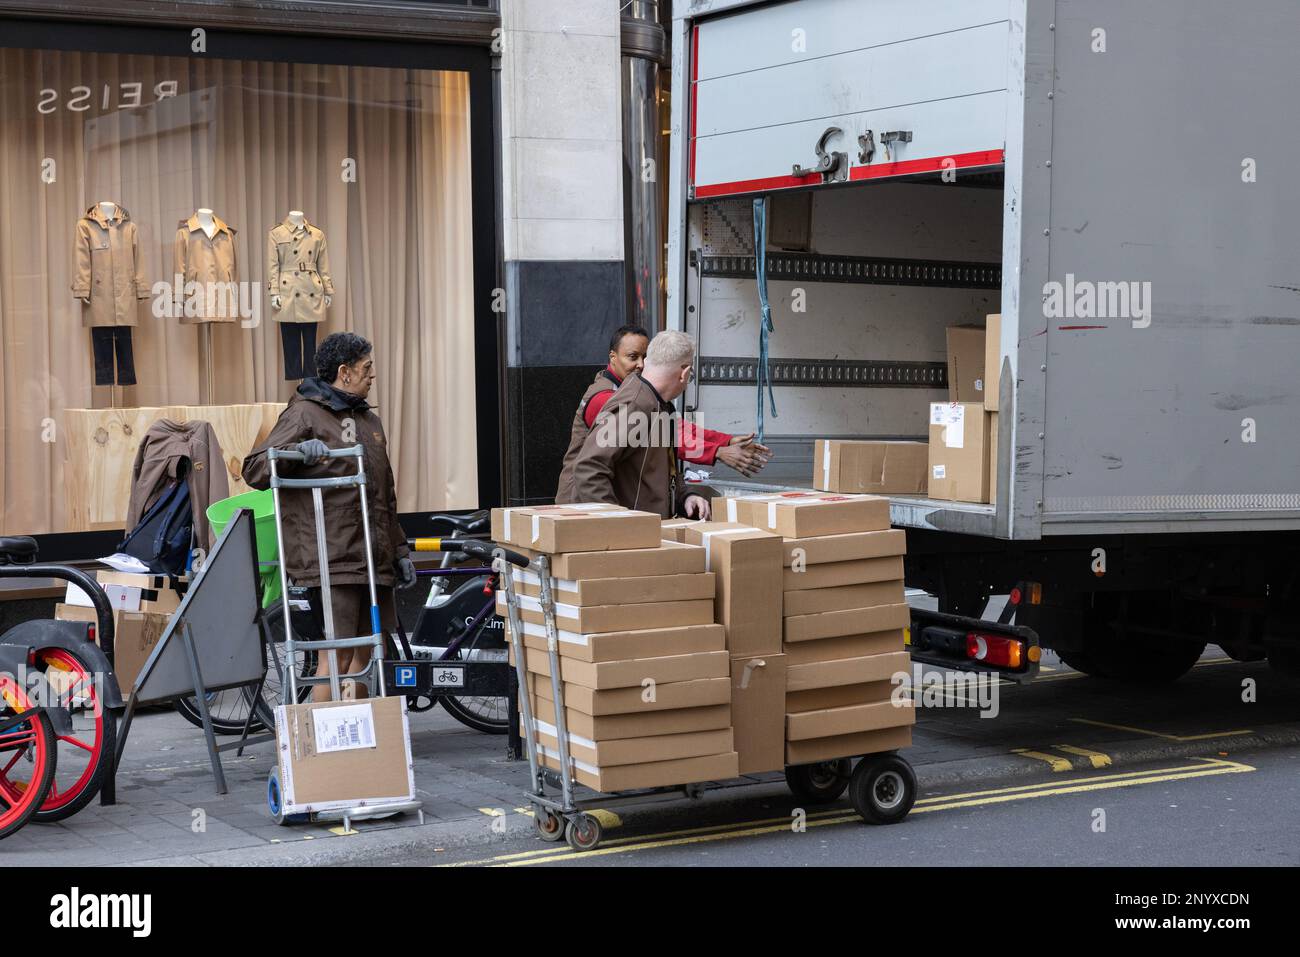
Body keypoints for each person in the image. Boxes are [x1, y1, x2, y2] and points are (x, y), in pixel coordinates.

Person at [242, 332, 417, 701]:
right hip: (332, 554)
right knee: (336, 652)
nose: (373, 376)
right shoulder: (305, 412)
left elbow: (384, 493)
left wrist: (399, 550)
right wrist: (294, 451)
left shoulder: (369, 420)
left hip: (373, 554)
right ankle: (319, 747)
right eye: (366, 368)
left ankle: (356, 733)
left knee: (369, 652)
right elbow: (255, 468)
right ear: (345, 372)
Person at [554, 325, 770, 503]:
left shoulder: (649, 398)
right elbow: (591, 468)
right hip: (578, 509)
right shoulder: (614, 399)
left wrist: (725, 441)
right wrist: (718, 452)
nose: (639, 364)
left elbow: (674, 429)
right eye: (632, 357)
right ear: (613, 357)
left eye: (644, 356)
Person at [563, 330, 714, 518]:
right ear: (683, 373)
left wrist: (685, 496)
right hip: (627, 536)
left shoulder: (659, 405)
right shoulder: (633, 405)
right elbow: (588, 468)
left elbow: (664, 471)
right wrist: (620, 524)